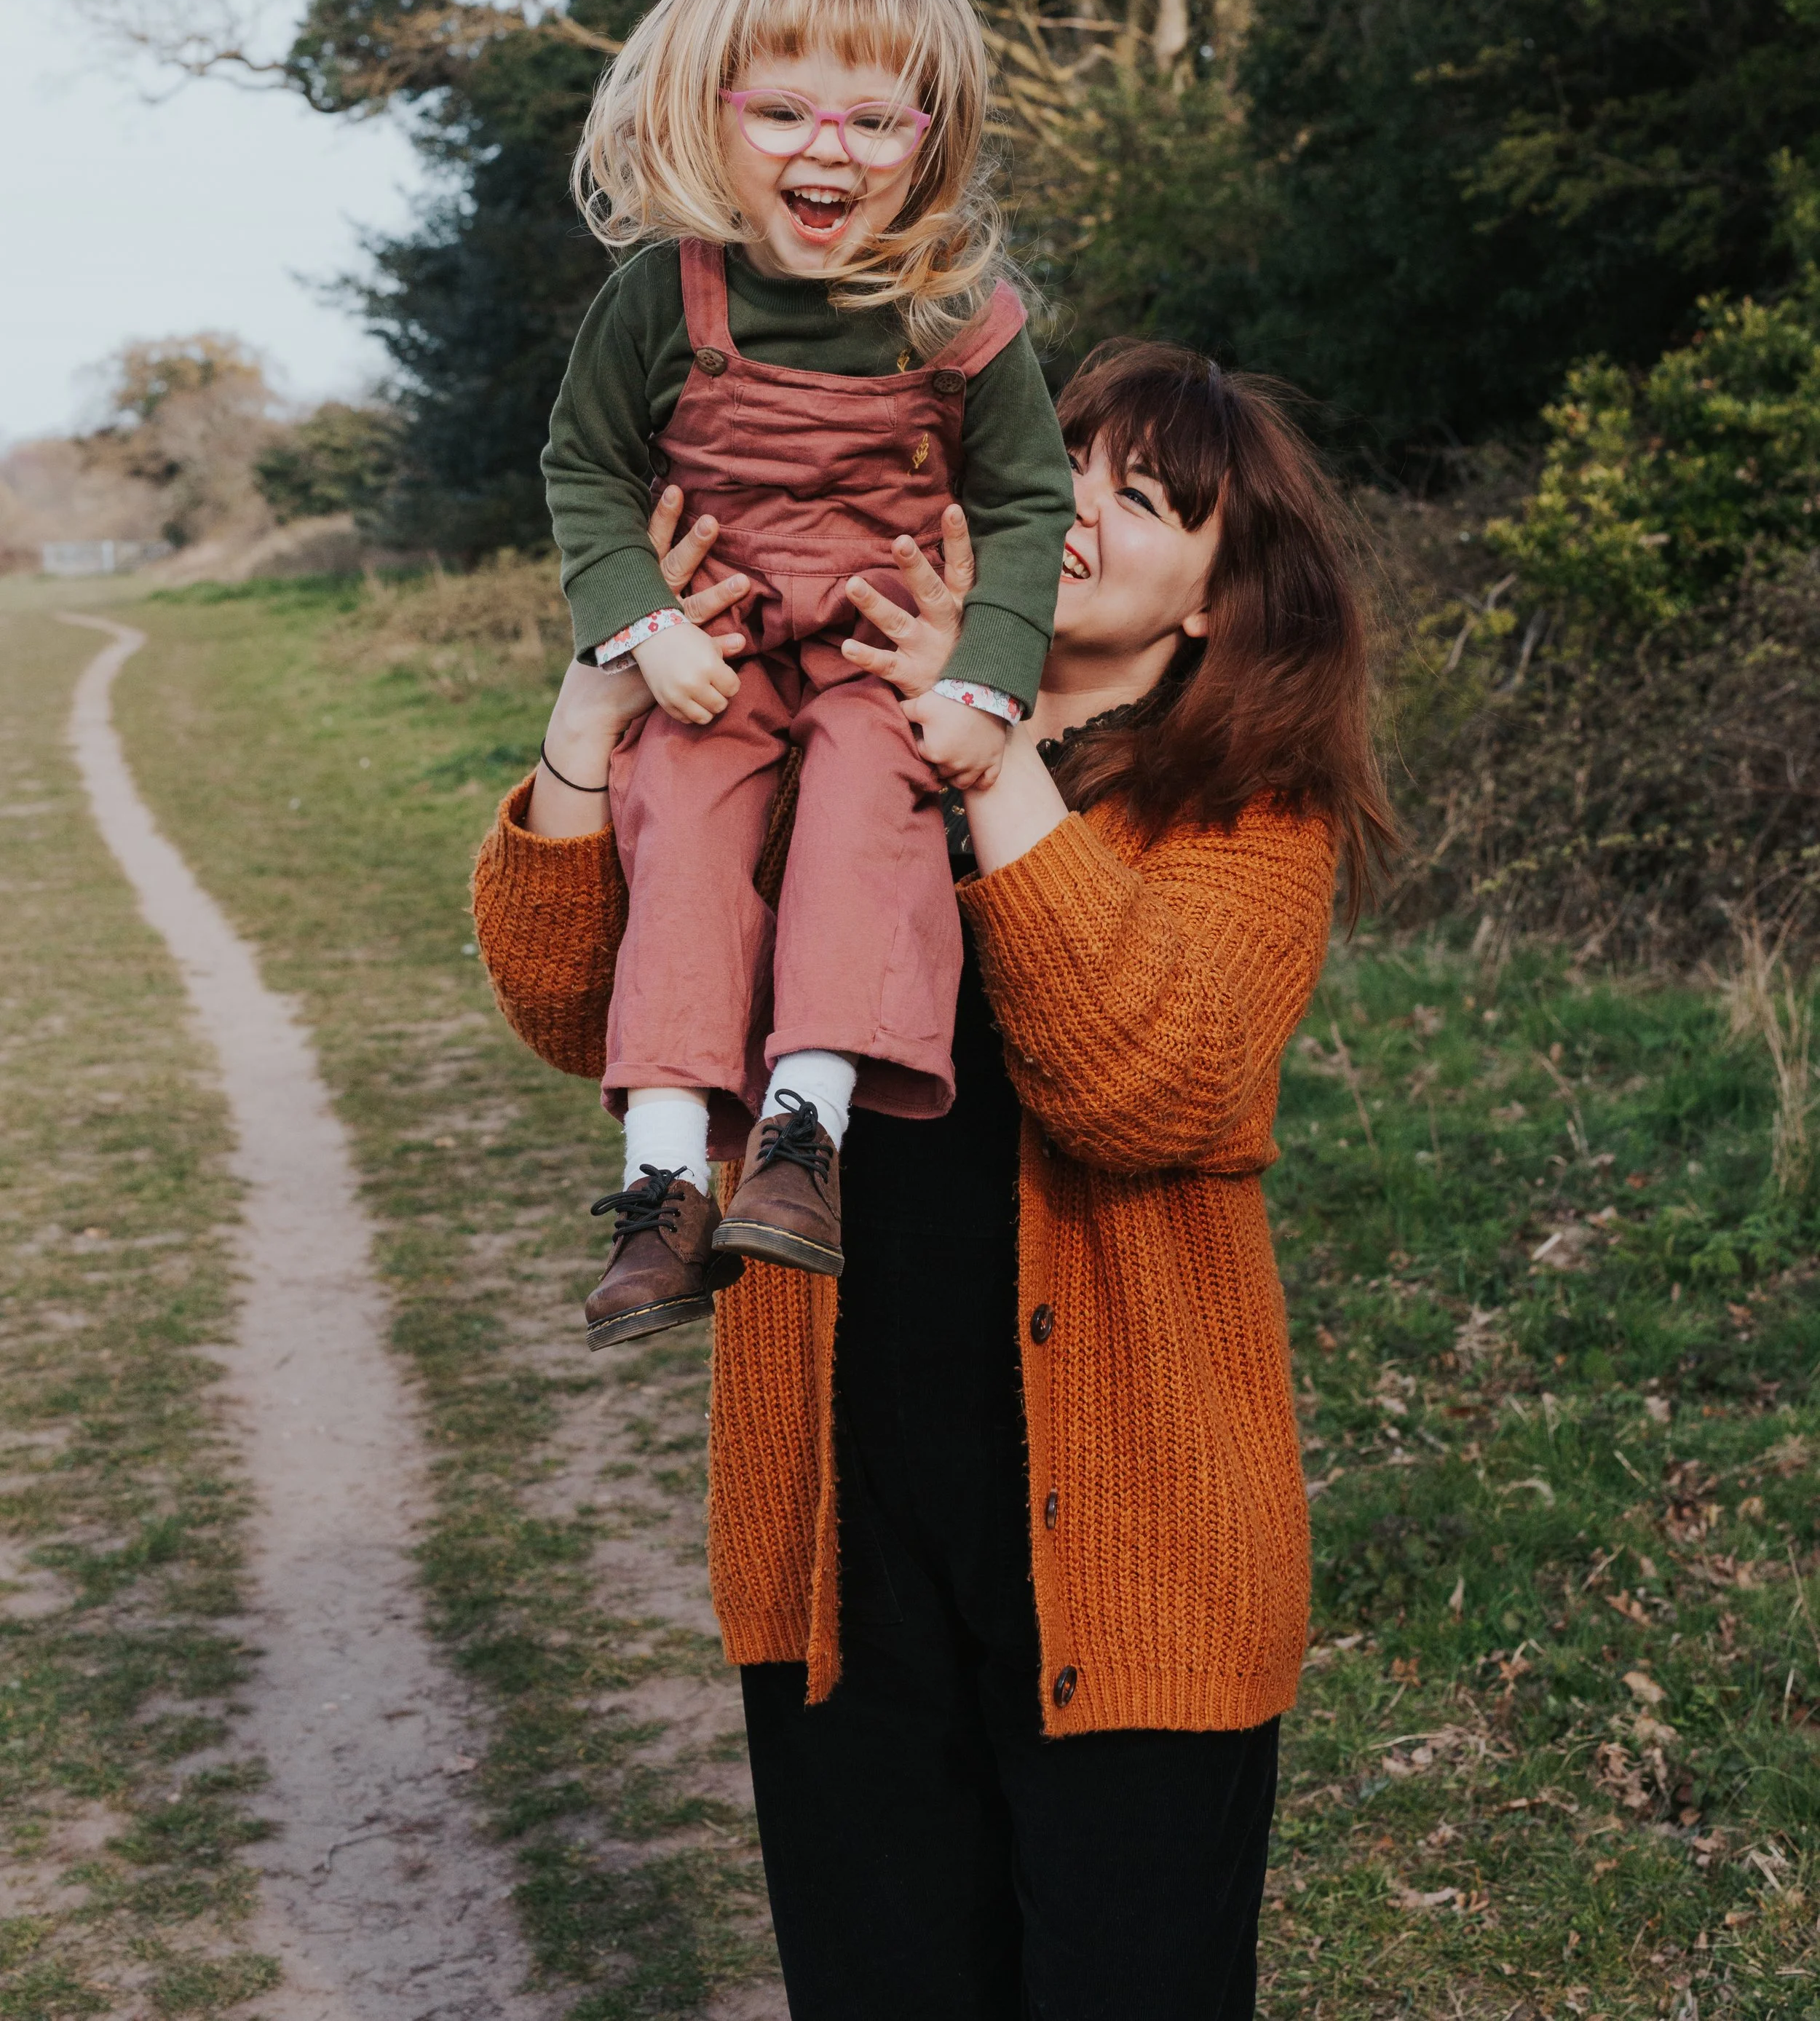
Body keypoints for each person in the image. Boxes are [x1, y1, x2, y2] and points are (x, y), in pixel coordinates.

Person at [473, 339, 1393, 2020]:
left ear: (1211, 600)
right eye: (1077, 476)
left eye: (1149, 501)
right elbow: (570, 1005)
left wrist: (993, 762)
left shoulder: (1245, 808)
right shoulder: (829, 741)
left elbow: (1161, 1088)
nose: (1090, 517)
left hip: (1139, 1558)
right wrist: (593, 720)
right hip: (842, 1535)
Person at [541, 0, 1075, 1340]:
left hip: (870, 659)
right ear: (705, 112)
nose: (823, 152)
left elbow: (1027, 505)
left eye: (870, 119)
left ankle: (801, 1142)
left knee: (861, 815)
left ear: (932, 131)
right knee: (684, 825)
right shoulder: (661, 298)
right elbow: (586, 471)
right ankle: (661, 1184)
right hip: (709, 659)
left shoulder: (957, 317)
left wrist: (986, 682)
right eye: (780, 112)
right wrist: (636, 626)